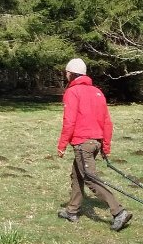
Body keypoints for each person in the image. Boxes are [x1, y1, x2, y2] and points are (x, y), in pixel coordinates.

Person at [56, 57, 132, 231]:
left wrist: (62, 145)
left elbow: (69, 121)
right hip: (95, 142)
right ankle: (72, 210)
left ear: (71, 74)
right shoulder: (97, 92)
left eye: (66, 72)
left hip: (83, 143)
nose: (65, 75)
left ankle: (118, 211)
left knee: (90, 178)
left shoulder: (72, 92)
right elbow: (107, 122)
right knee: (77, 174)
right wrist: (105, 147)